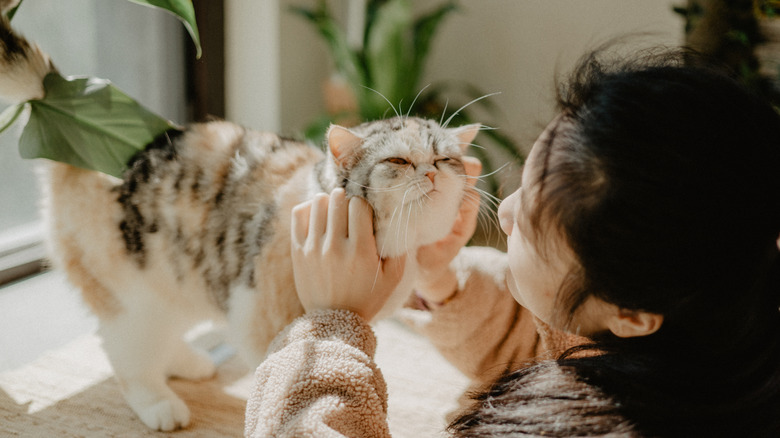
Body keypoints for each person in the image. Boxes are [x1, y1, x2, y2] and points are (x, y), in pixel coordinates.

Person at [244, 48, 780, 437]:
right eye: (525, 180)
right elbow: (538, 341)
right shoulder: (716, 326)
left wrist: (329, 331)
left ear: (631, 313)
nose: (507, 213)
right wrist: (441, 279)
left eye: (535, 222)